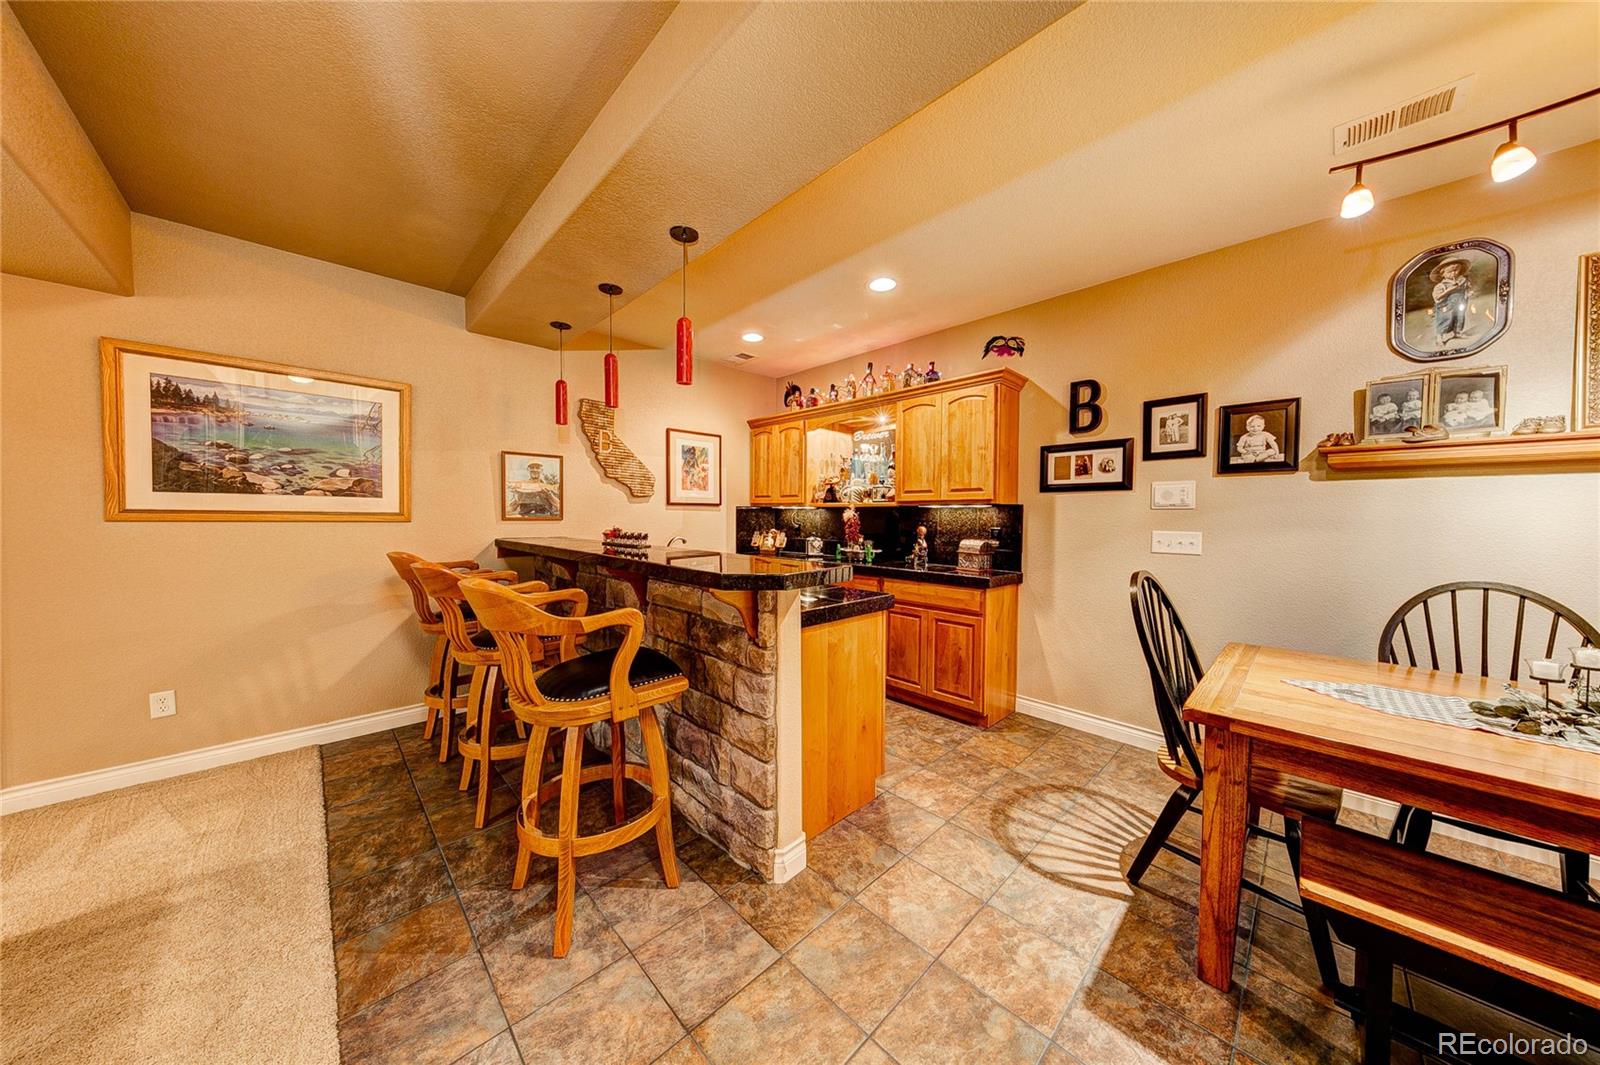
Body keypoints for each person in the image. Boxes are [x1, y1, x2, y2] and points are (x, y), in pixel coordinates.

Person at [1429, 258, 1471, 344]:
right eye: (1450, 272)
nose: (1453, 273)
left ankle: (1457, 332)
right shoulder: (1441, 285)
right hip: (1446, 306)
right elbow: (1437, 297)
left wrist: (1469, 292)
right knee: (1445, 320)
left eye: (1456, 270)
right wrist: (1449, 290)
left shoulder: (1462, 281)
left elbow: (1467, 288)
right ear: (1442, 274)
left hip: (1460, 303)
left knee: (1459, 317)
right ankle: (1440, 337)